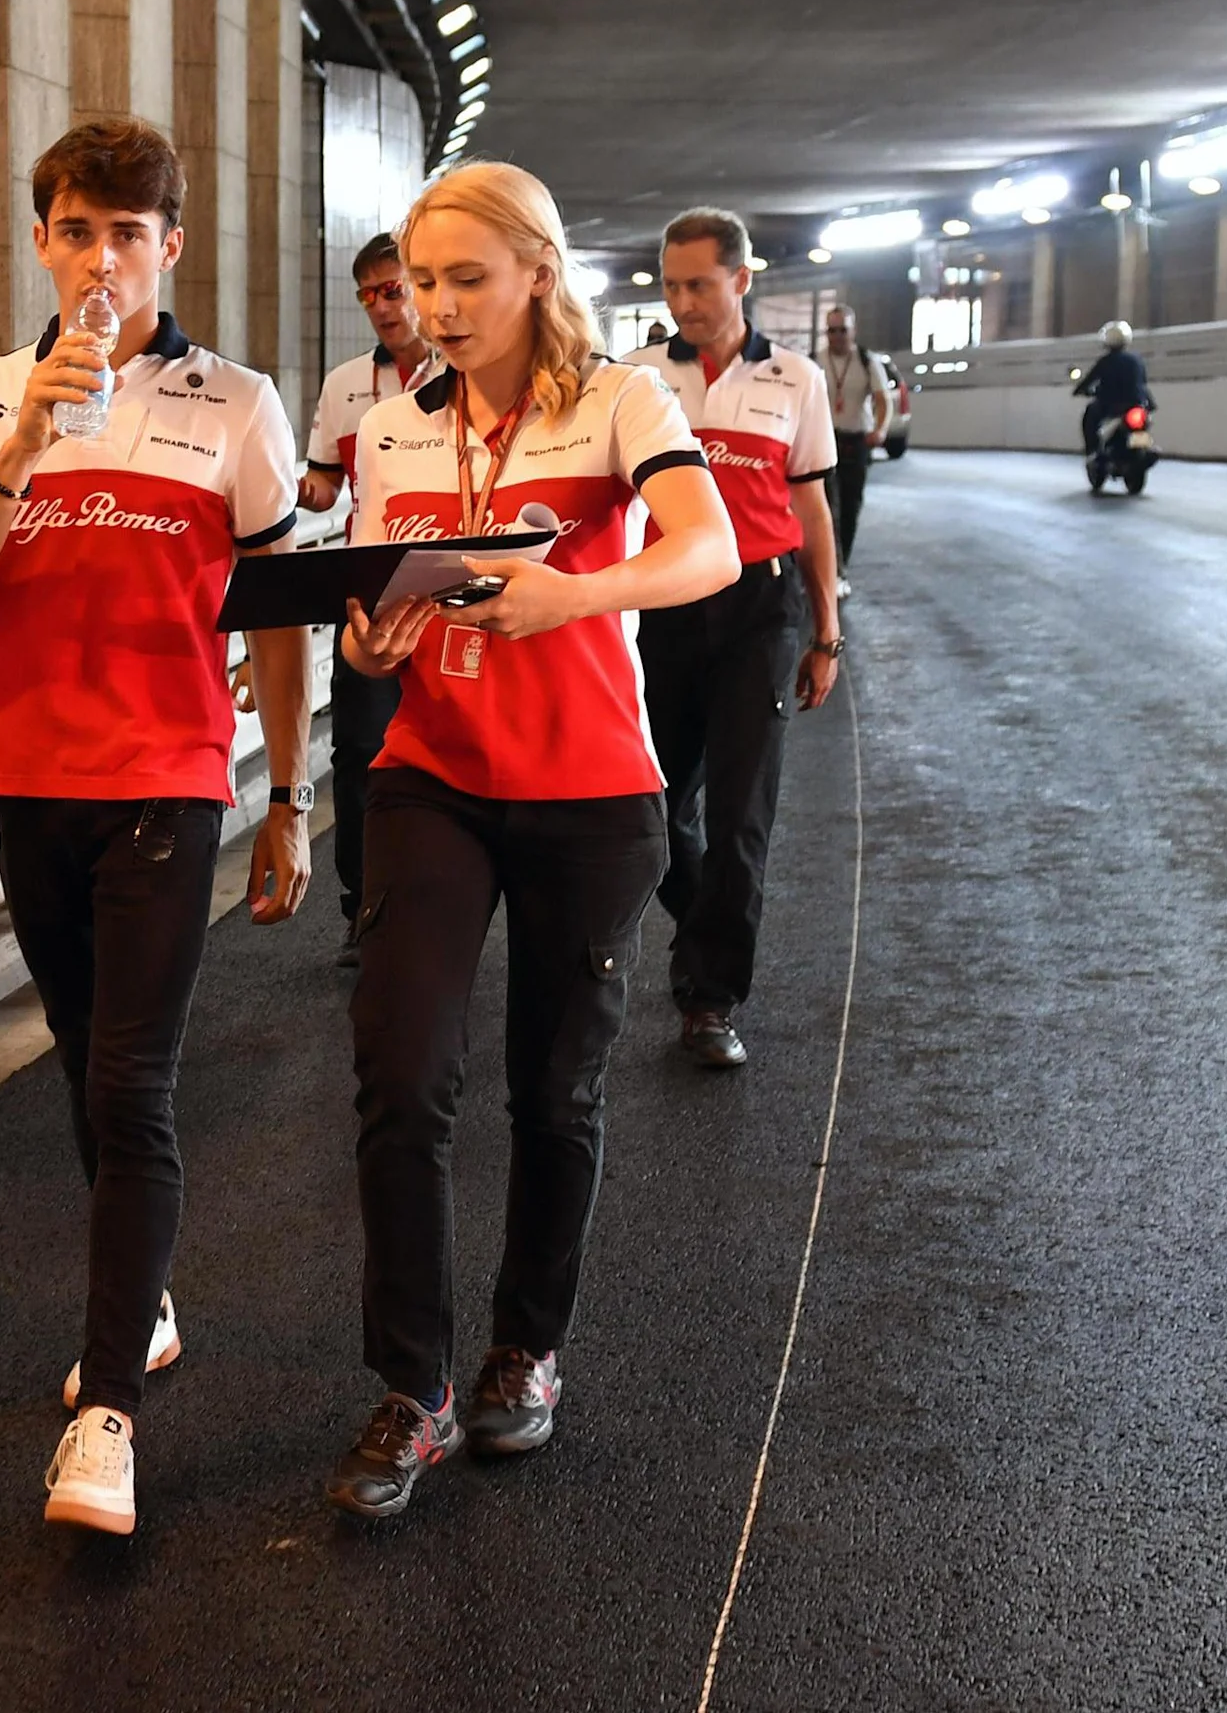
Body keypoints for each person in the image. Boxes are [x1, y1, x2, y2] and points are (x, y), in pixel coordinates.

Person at [0, 117, 313, 1538]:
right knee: (86, 1074)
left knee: (133, 1087)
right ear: (43, 242)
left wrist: (290, 798)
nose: (101, 261)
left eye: (127, 235)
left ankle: (106, 1421)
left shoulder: (240, 402)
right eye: (76, 232)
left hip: (171, 778)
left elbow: (273, 617)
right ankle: (141, 1302)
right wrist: (25, 435)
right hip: (33, 782)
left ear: (169, 249)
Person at [321, 163, 737, 1519]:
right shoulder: (391, 428)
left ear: (538, 274)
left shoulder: (620, 399)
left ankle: (526, 1352)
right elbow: (373, 598)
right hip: (431, 778)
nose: (433, 308)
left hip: (590, 797)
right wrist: (365, 635)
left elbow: (709, 549)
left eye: (464, 280)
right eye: (421, 284)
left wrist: (578, 594)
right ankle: (414, 1387)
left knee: (552, 1093)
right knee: (402, 1081)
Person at [625, 210, 846, 1071]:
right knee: (652, 804)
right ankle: (709, 917)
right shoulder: (636, 378)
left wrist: (827, 630)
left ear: (741, 281)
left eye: (699, 285)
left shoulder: (796, 379)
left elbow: (812, 509)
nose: (683, 302)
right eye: (671, 286)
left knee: (743, 814)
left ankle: (711, 1000)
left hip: (762, 607)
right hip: (664, 604)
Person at [295, 231, 444, 967]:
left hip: (451, 597)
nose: (382, 307)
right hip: (367, 602)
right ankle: (363, 910)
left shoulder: (466, 369)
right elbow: (324, 485)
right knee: (360, 755)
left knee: (447, 757)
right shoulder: (346, 384)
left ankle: (454, 903)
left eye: (394, 289)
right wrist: (285, 487)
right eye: (368, 295)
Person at [816, 306, 889, 595]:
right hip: (824, 441)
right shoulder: (815, 362)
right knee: (822, 509)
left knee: (849, 507)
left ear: (853, 331)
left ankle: (841, 566)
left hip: (856, 442)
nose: (836, 336)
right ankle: (830, 570)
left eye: (842, 330)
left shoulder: (867, 361)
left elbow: (883, 400)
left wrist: (880, 429)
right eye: (831, 330)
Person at [1076, 318, 1149, 450]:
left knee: (1090, 417)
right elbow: (1142, 382)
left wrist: (1079, 390)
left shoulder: (1105, 361)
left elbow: (1089, 381)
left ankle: (1092, 450)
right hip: (1137, 404)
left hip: (1111, 406)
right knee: (1145, 423)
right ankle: (1141, 446)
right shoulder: (1137, 360)